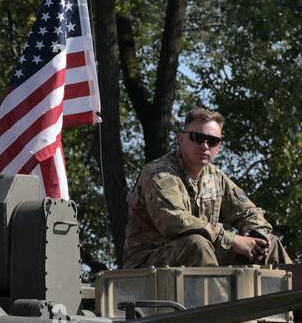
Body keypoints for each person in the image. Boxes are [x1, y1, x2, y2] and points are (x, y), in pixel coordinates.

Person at [122, 108, 290, 268]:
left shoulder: (215, 177)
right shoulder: (159, 174)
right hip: (147, 264)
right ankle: (221, 299)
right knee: (196, 243)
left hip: (203, 255)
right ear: (180, 138)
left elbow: (249, 212)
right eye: (197, 137)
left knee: (270, 243)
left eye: (212, 141)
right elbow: (175, 222)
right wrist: (232, 240)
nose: (204, 145)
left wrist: (256, 235)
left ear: (218, 147)